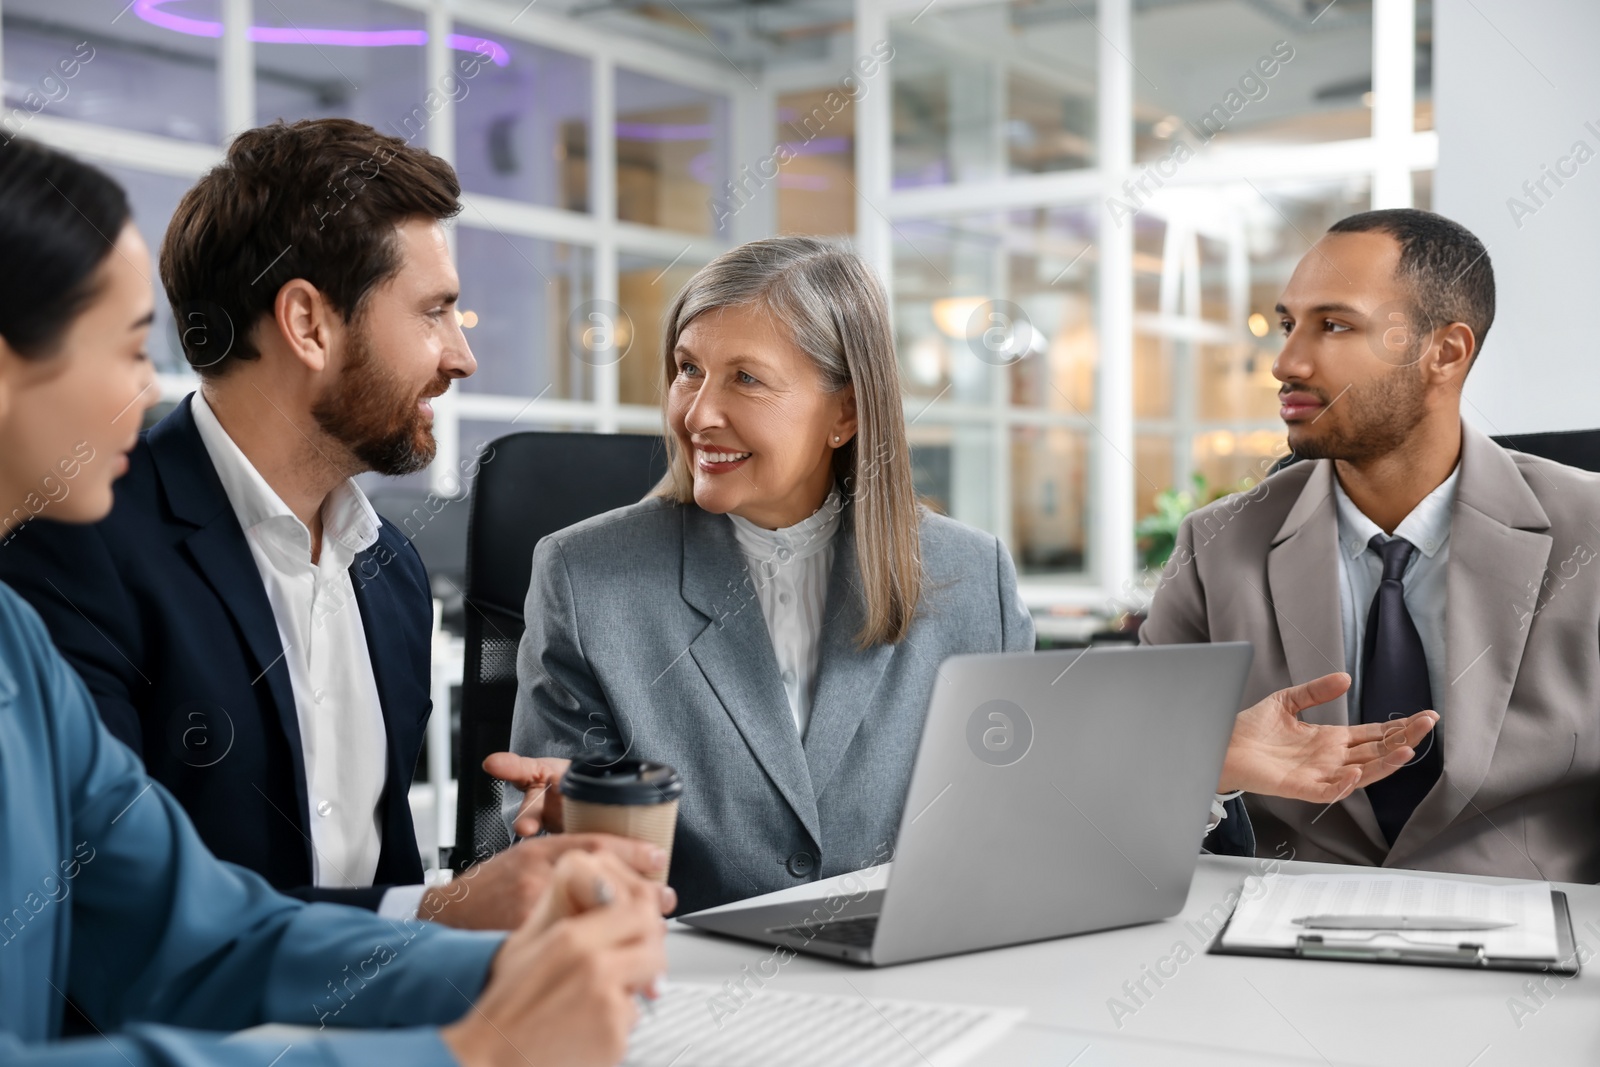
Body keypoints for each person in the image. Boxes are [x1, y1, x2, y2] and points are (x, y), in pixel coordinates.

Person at [484, 237, 1436, 914]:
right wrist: (563, 831)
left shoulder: (965, 572)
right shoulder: (587, 573)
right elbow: (537, 837)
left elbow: (1030, 820)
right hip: (682, 990)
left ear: (846, 415)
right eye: (687, 369)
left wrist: (1198, 759)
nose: (697, 411)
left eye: (746, 379)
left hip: (918, 987)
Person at [0, 136, 665, 1066]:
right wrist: (479, 1039)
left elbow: (196, 929)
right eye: (435, 311)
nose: (463, 355)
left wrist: (513, 964)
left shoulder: (385, 573)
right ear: (310, 324)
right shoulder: (64, 559)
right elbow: (104, 961)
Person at [1140, 207, 1600, 880]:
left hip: (1548, 949)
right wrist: (1205, 758)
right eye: (1288, 323)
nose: (1286, 361)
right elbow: (1116, 809)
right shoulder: (1216, 547)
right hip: (1281, 947)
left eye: (1333, 325)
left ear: (1445, 351)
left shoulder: (1590, 534)